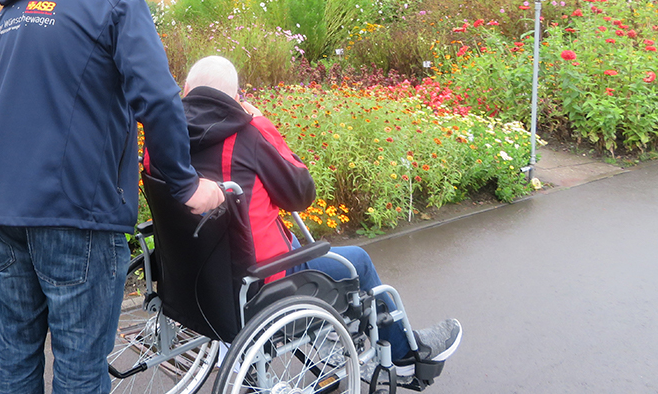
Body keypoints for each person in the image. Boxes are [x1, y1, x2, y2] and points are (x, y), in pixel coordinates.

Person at [0, 0, 224, 394]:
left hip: (0, 206)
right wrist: (185, 183)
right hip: (75, 209)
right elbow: (160, 99)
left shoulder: (11, 13)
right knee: (80, 361)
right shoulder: (116, 3)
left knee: (14, 350)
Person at [178, 55, 462, 381]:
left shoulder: (164, 140)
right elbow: (300, 195)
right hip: (255, 278)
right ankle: (405, 354)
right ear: (238, 98)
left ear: (186, 89)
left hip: (195, 274)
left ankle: (328, 339)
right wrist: (262, 124)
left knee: (295, 240)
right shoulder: (247, 134)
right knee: (357, 261)